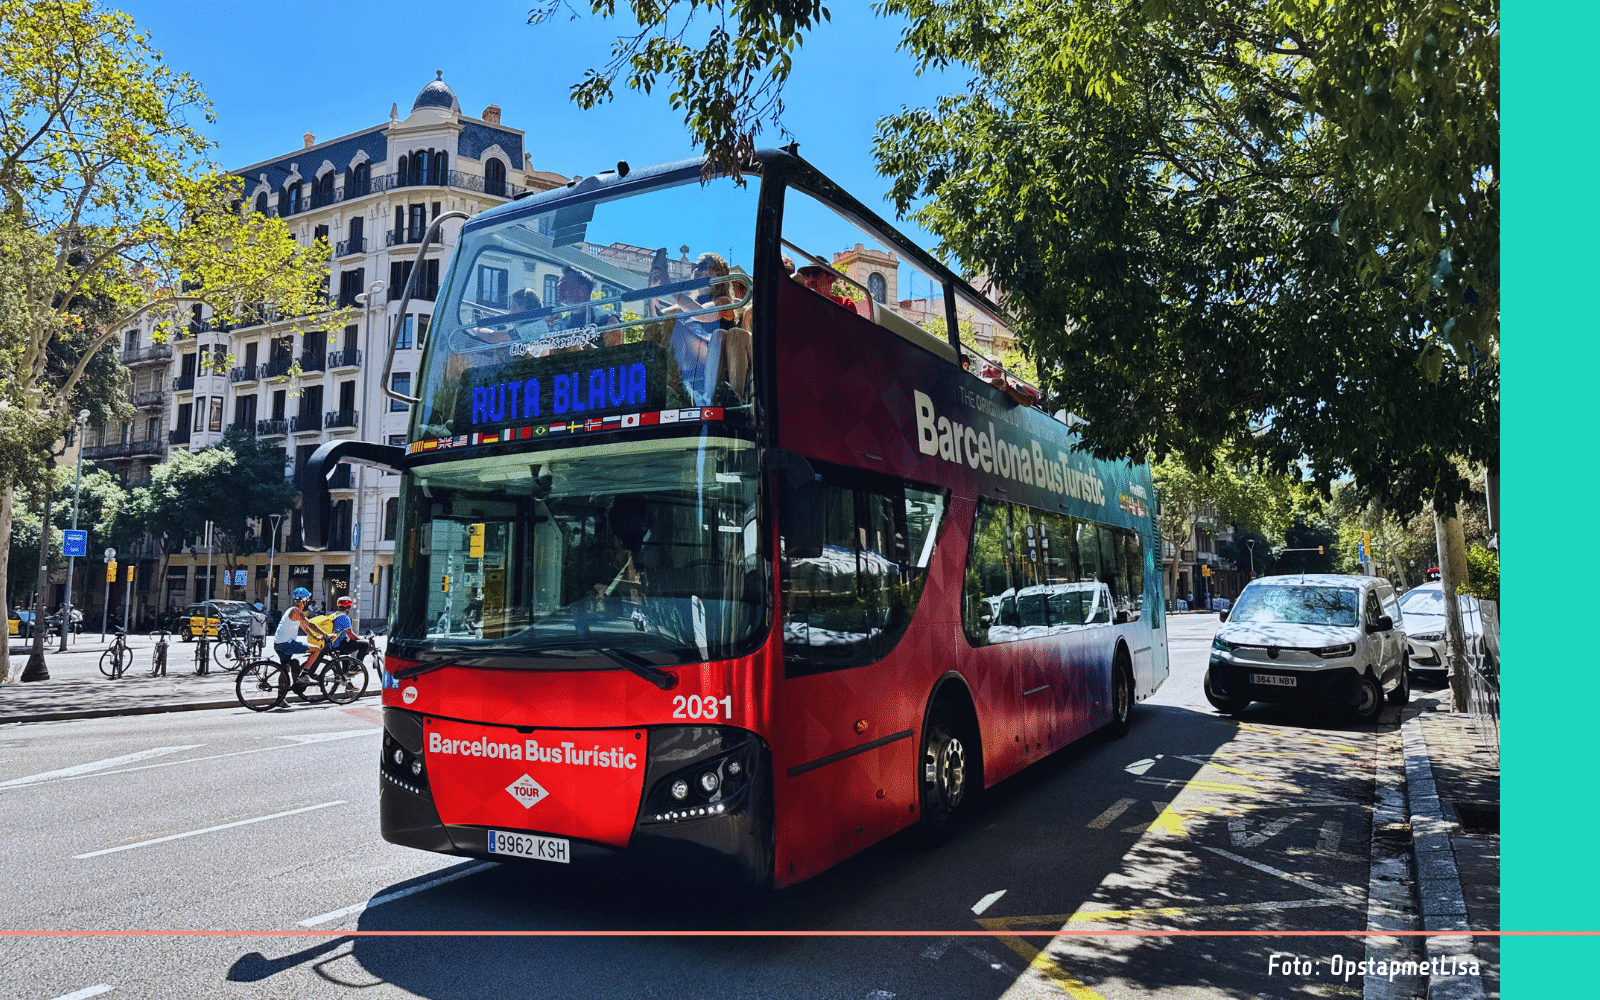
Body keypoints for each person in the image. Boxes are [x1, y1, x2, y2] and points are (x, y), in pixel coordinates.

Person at [548, 266, 622, 353]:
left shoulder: (608, 320)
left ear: (583, 290)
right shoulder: (563, 323)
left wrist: (585, 345)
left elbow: (616, 356)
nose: (559, 286)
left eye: (566, 283)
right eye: (559, 283)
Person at [273, 587, 331, 689]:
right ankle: (304, 675)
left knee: (285, 668)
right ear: (305, 600)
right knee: (316, 650)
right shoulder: (297, 612)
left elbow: (304, 627)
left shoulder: (291, 610)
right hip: (286, 644)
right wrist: (326, 634)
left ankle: (280, 698)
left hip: (279, 643)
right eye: (308, 599)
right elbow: (310, 624)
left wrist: (315, 636)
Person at [328, 596, 372, 662]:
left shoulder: (334, 615)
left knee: (346, 652)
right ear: (347, 608)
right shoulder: (345, 618)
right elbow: (351, 635)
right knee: (365, 644)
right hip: (339, 645)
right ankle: (356, 667)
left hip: (333, 643)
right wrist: (360, 639)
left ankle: (345, 671)